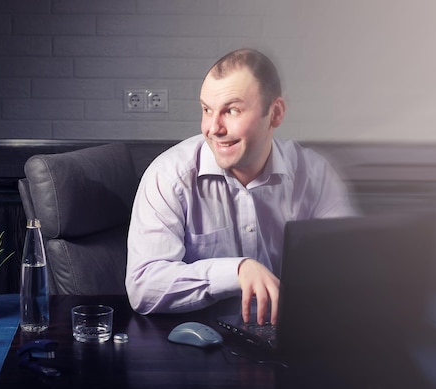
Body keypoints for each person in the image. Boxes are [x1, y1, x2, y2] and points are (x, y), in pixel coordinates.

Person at [125, 48, 356, 325]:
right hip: (196, 351)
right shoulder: (168, 176)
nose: (213, 128)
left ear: (276, 113)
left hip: (295, 341)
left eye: (232, 110)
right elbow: (143, 287)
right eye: (207, 110)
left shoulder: (315, 174)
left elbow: (350, 269)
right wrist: (235, 272)